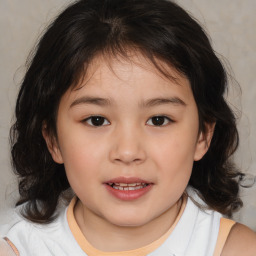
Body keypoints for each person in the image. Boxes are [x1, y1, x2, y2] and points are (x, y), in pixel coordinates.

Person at [1, 0, 256, 255]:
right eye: (96, 120)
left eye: (158, 120)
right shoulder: (16, 247)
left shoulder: (236, 249)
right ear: (53, 139)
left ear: (202, 136)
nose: (127, 151)